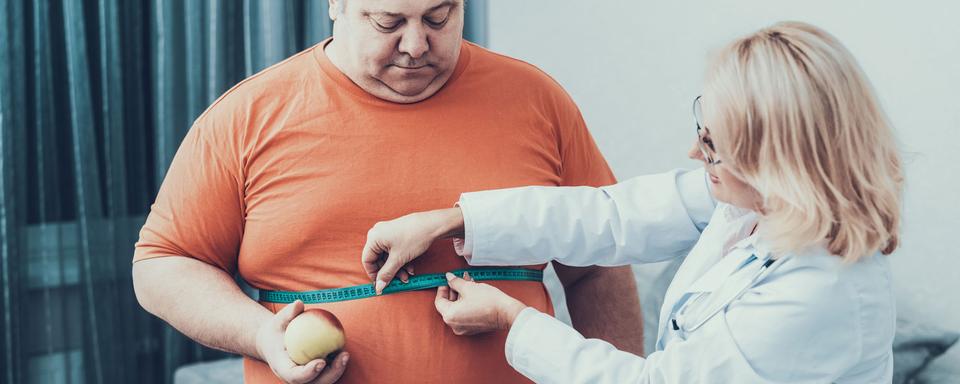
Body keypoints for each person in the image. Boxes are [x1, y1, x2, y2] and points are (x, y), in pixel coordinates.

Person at [131, 0, 643, 383]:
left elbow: (598, 263)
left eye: (439, 18)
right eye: (389, 22)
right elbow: (163, 262)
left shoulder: (537, 101)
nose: (417, 44)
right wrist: (259, 334)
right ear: (336, 5)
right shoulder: (246, 117)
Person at [362, 21, 902, 383]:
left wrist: (512, 320)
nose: (694, 152)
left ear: (778, 161)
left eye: (713, 147)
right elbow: (608, 217)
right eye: (702, 127)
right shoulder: (756, 204)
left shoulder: (821, 291)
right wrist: (453, 219)